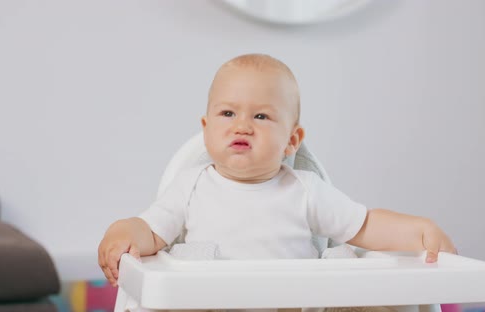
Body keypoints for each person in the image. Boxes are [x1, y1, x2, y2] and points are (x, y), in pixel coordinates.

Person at [98, 53, 457, 288]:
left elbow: (363, 226)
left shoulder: (305, 190)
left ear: (291, 139)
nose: (242, 126)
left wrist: (417, 231)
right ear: (206, 127)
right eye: (228, 114)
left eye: (261, 116)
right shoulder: (190, 186)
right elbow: (151, 231)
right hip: (210, 304)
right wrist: (124, 230)